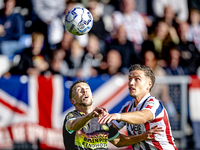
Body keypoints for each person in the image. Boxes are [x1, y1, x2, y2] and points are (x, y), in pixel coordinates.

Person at [63, 79, 163, 150]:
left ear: (92, 97)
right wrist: (90, 116)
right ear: (73, 101)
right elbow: (73, 126)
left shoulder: (102, 118)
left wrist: (142, 136)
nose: (84, 90)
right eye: (79, 90)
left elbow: (119, 141)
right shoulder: (72, 117)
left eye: (87, 88)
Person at [98, 64, 177, 150]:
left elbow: (142, 117)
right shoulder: (127, 107)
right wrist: (104, 122)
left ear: (149, 84)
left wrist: (117, 115)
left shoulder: (154, 103)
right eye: (130, 79)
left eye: (137, 79)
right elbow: (118, 141)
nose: (131, 83)